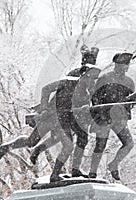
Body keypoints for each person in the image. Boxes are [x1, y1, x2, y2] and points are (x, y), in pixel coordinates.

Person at [43, 46, 101, 182]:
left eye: (93, 61)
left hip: (78, 114)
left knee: (82, 137)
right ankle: (55, 173)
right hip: (66, 112)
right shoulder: (74, 74)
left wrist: (95, 108)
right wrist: (48, 109)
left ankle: (75, 169)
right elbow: (60, 93)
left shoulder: (91, 76)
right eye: (89, 61)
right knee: (68, 143)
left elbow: (93, 94)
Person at [89, 52, 136, 180]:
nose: (122, 68)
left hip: (119, 119)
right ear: (115, 65)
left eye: (125, 65)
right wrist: (101, 112)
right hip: (104, 117)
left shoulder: (129, 82)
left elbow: (130, 104)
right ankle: (92, 172)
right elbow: (94, 98)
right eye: (119, 65)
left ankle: (114, 164)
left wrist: (134, 99)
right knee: (100, 144)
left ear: (127, 67)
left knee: (129, 143)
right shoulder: (105, 78)